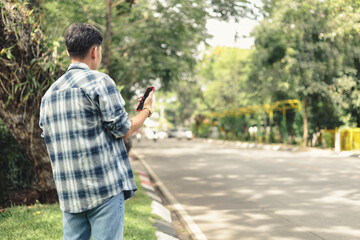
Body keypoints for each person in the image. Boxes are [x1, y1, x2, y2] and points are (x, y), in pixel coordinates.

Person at [39, 23, 154, 240]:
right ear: (95, 51)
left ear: (68, 52)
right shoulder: (100, 82)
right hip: (104, 189)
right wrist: (146, 109)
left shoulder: (49, 95)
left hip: (70, 192)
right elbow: (124, 129)